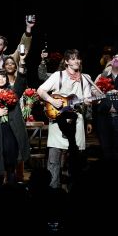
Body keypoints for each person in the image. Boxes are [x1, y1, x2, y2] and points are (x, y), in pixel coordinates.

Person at [37, 49, 94, 190]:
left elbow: (87, 98)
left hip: (77, 119)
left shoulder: (85, 78)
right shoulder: (58, 75)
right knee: (54, 156)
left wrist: (89, 102)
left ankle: (74, 189)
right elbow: (41, 90)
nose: (76, 61)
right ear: (67, 61)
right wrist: (52, 100)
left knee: (76, 157)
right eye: (73, 59)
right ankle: (52, 189)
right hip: (58, 118)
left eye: (78, 58)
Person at [0, 68, 30, 188]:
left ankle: (12, 194)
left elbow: (21, 83)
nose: (1, 79)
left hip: (11, 134)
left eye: (3, 76)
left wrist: (22, 65)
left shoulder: (13, 93)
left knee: (11, 168)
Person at [93, 52, 118, 160]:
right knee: (105, 148)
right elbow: (93, 92)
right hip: (104, 116)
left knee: (117, 149)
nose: (115, 59)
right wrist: (100, 95)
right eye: (114, 57)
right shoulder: (102, 76)